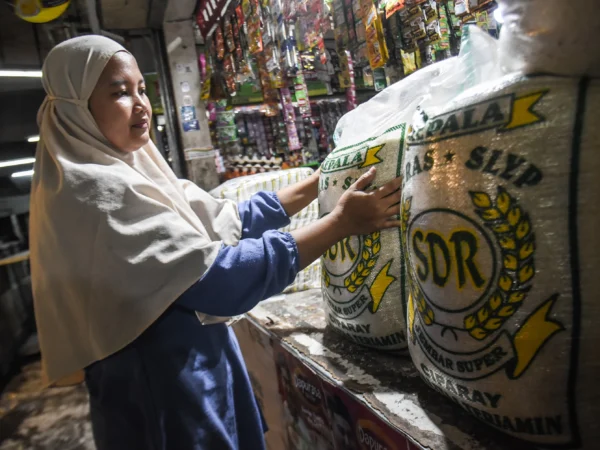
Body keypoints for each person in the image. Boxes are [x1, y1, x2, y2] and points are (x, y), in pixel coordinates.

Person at [30, 35, 402, 450]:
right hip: (161, 387)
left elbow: (228, 220)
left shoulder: (131, 169)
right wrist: (340, 224)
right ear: (75, 108)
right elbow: (218, 279)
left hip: (193, 367)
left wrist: (323, 179)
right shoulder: (96, 192)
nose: (140, 104)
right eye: (119, 93)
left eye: (141, 89)